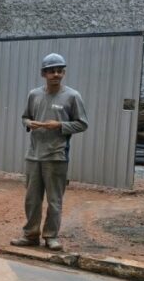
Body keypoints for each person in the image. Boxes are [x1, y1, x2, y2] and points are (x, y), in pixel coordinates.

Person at [10, 53, 89, 251]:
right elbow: (25, 117)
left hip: (57, 156)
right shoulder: (34, 94)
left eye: (59, 71)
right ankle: (30, 235)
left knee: (54, 200)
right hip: (34, 155)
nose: (56, 74)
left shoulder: (72, 96)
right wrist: (29, 123)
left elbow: (82, 124)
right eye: (51, 71)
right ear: (43, 73)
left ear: (63, 72)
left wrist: (60, 125)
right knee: (32, 199)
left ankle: (51, 236)